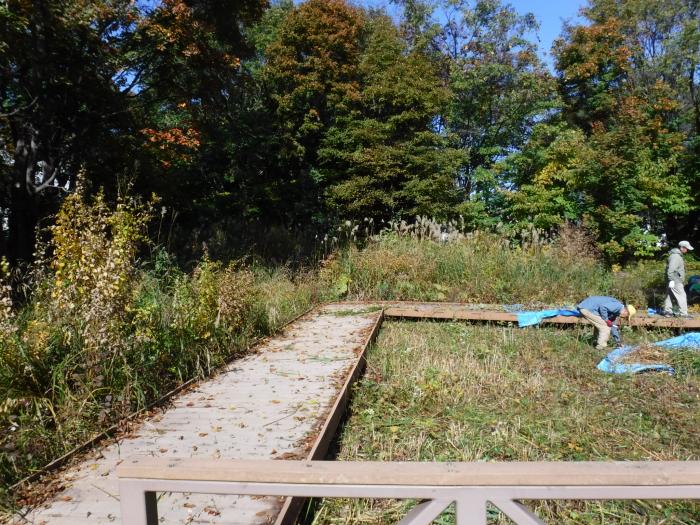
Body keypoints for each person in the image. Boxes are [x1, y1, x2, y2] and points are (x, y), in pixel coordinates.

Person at [662, 240, 694, 318]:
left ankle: (667, 312)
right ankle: (683, 314)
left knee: (669, 295)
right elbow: (671, 270)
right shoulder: (676, 256)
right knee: (682, 295)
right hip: (675, 280)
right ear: (682, 248)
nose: (687, 250)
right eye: (686, 248)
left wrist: (670, 280)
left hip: (672, 279)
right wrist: (672, 280)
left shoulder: (675, 255)